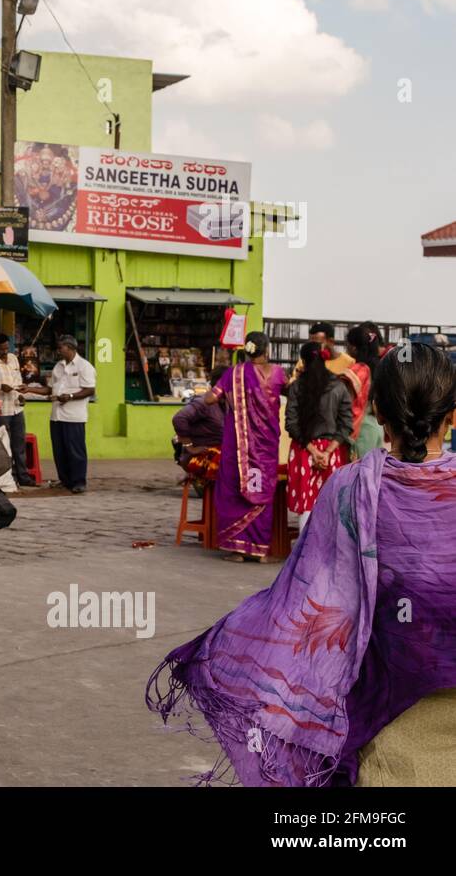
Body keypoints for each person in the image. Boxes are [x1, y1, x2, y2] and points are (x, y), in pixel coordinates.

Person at [148, 343, 456, 786]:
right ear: (450, 415)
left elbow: (308, 604)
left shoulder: (349, 490)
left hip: (385, 725)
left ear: (378, 413)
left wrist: (215, 648)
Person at [200, 330, 287, 562]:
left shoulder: (234, 374)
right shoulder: (279, 373)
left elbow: (209, 399)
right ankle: (260, 551)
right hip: (266, 448)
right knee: (261, 489)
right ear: (266, 350)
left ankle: (238, 550)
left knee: (236, 489)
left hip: (239, 446)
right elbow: (289, 390)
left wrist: (228, 396)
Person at [285, 341, 354, 517]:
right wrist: (327, 452)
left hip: (303, 451)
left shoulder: (296, 387)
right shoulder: (338, 386)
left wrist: (313, 451)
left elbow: (291, 424)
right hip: (331, 452)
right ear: (325, 358)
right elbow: (346, 423)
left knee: (306, 505)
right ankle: (325, 545)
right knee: (330, 505)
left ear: (303, 361)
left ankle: (306, 544)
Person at [26, 334, 96, 493]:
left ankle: (79, 482)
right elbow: (50, 389)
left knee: (75, 450)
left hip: (74, 416)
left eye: (61, 347)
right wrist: (30, 389)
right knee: (59, 450)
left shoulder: (84, 366)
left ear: (70, 347)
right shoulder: (58, 366)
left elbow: (90, 390)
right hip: (57, 415)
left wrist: (70, 396)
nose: (58, 350)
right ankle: (65, 480)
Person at [0, 334, 35, 487]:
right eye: (1, 349)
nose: (5, 351)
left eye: (6, 348)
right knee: (4, 445)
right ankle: (5, 478)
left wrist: (22, 395)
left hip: (16, 407)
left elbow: (18, 380)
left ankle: (23, 477)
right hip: (1, 410)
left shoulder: (13, 358)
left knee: (19, 444)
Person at [171, 366, 226, 483]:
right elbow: (179, 418)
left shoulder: (229, 404)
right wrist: (190, 447)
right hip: (203, 455)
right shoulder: (204, 403)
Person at [343, 322, 385, 458]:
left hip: (361, 429)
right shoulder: (380, 367)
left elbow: (346, 399)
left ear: (354, 348)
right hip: (376, 426)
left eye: (347, 345)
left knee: (359, 474)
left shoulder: (358, 370)